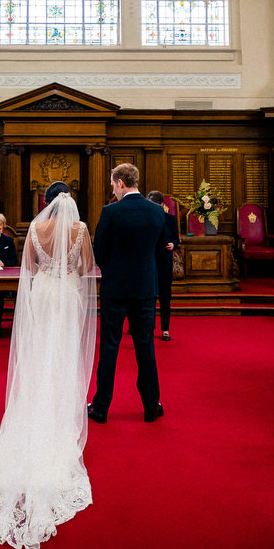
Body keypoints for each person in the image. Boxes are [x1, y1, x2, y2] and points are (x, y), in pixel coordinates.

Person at [0, 181, 98, 549]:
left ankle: (32, 411)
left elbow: (26, 266)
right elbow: (88, 266)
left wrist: (48, 266)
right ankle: (58, 413)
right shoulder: (79, 230)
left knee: (38, 354)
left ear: (46, 205)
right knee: (60, 356)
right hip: (66, 294)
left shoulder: (33, 228)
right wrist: (69, 265)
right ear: (69, 204)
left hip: (43, 294)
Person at [89, 164, 168, 424]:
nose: (112, 190)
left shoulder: (111, 212)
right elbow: (159, 250)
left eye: (113, 185)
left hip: (115, 288)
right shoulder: (157, 212)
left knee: (109, 347)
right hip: (145, 288)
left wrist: (114, 270)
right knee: (145, 345)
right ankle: (150, 405)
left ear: (121, 182)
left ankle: (101, 408)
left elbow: (98, 251)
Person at [145, 190, 180, 341]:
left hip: (164, 262)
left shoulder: (170, 219)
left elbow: (177, 239)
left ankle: (165, 329)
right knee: (149, 297)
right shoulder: (145, 219)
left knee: (165, 297)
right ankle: (149, 327)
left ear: (161, 205)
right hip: (149, 262)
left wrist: (174, 244)